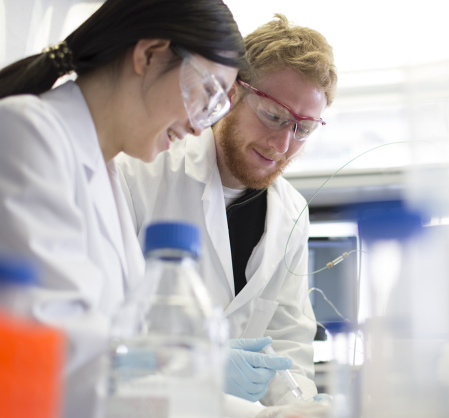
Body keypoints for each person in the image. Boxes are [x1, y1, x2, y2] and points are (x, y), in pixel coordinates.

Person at [0, 0, 247, 416]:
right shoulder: (21, 136)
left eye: (216, 109)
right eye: (207, 95)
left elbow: (126, 362)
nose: (199, 125)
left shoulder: (106, 175)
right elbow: (59, 362)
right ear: (149, 54)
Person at [117, 13, 338, 406]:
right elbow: (103, 327)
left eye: (302, 129)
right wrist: (196, 366)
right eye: (273, 115)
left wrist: (300, 407)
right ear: (233, 91)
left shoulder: (292, 213)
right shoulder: (144, 171)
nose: (282, 144)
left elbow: (289, 342)